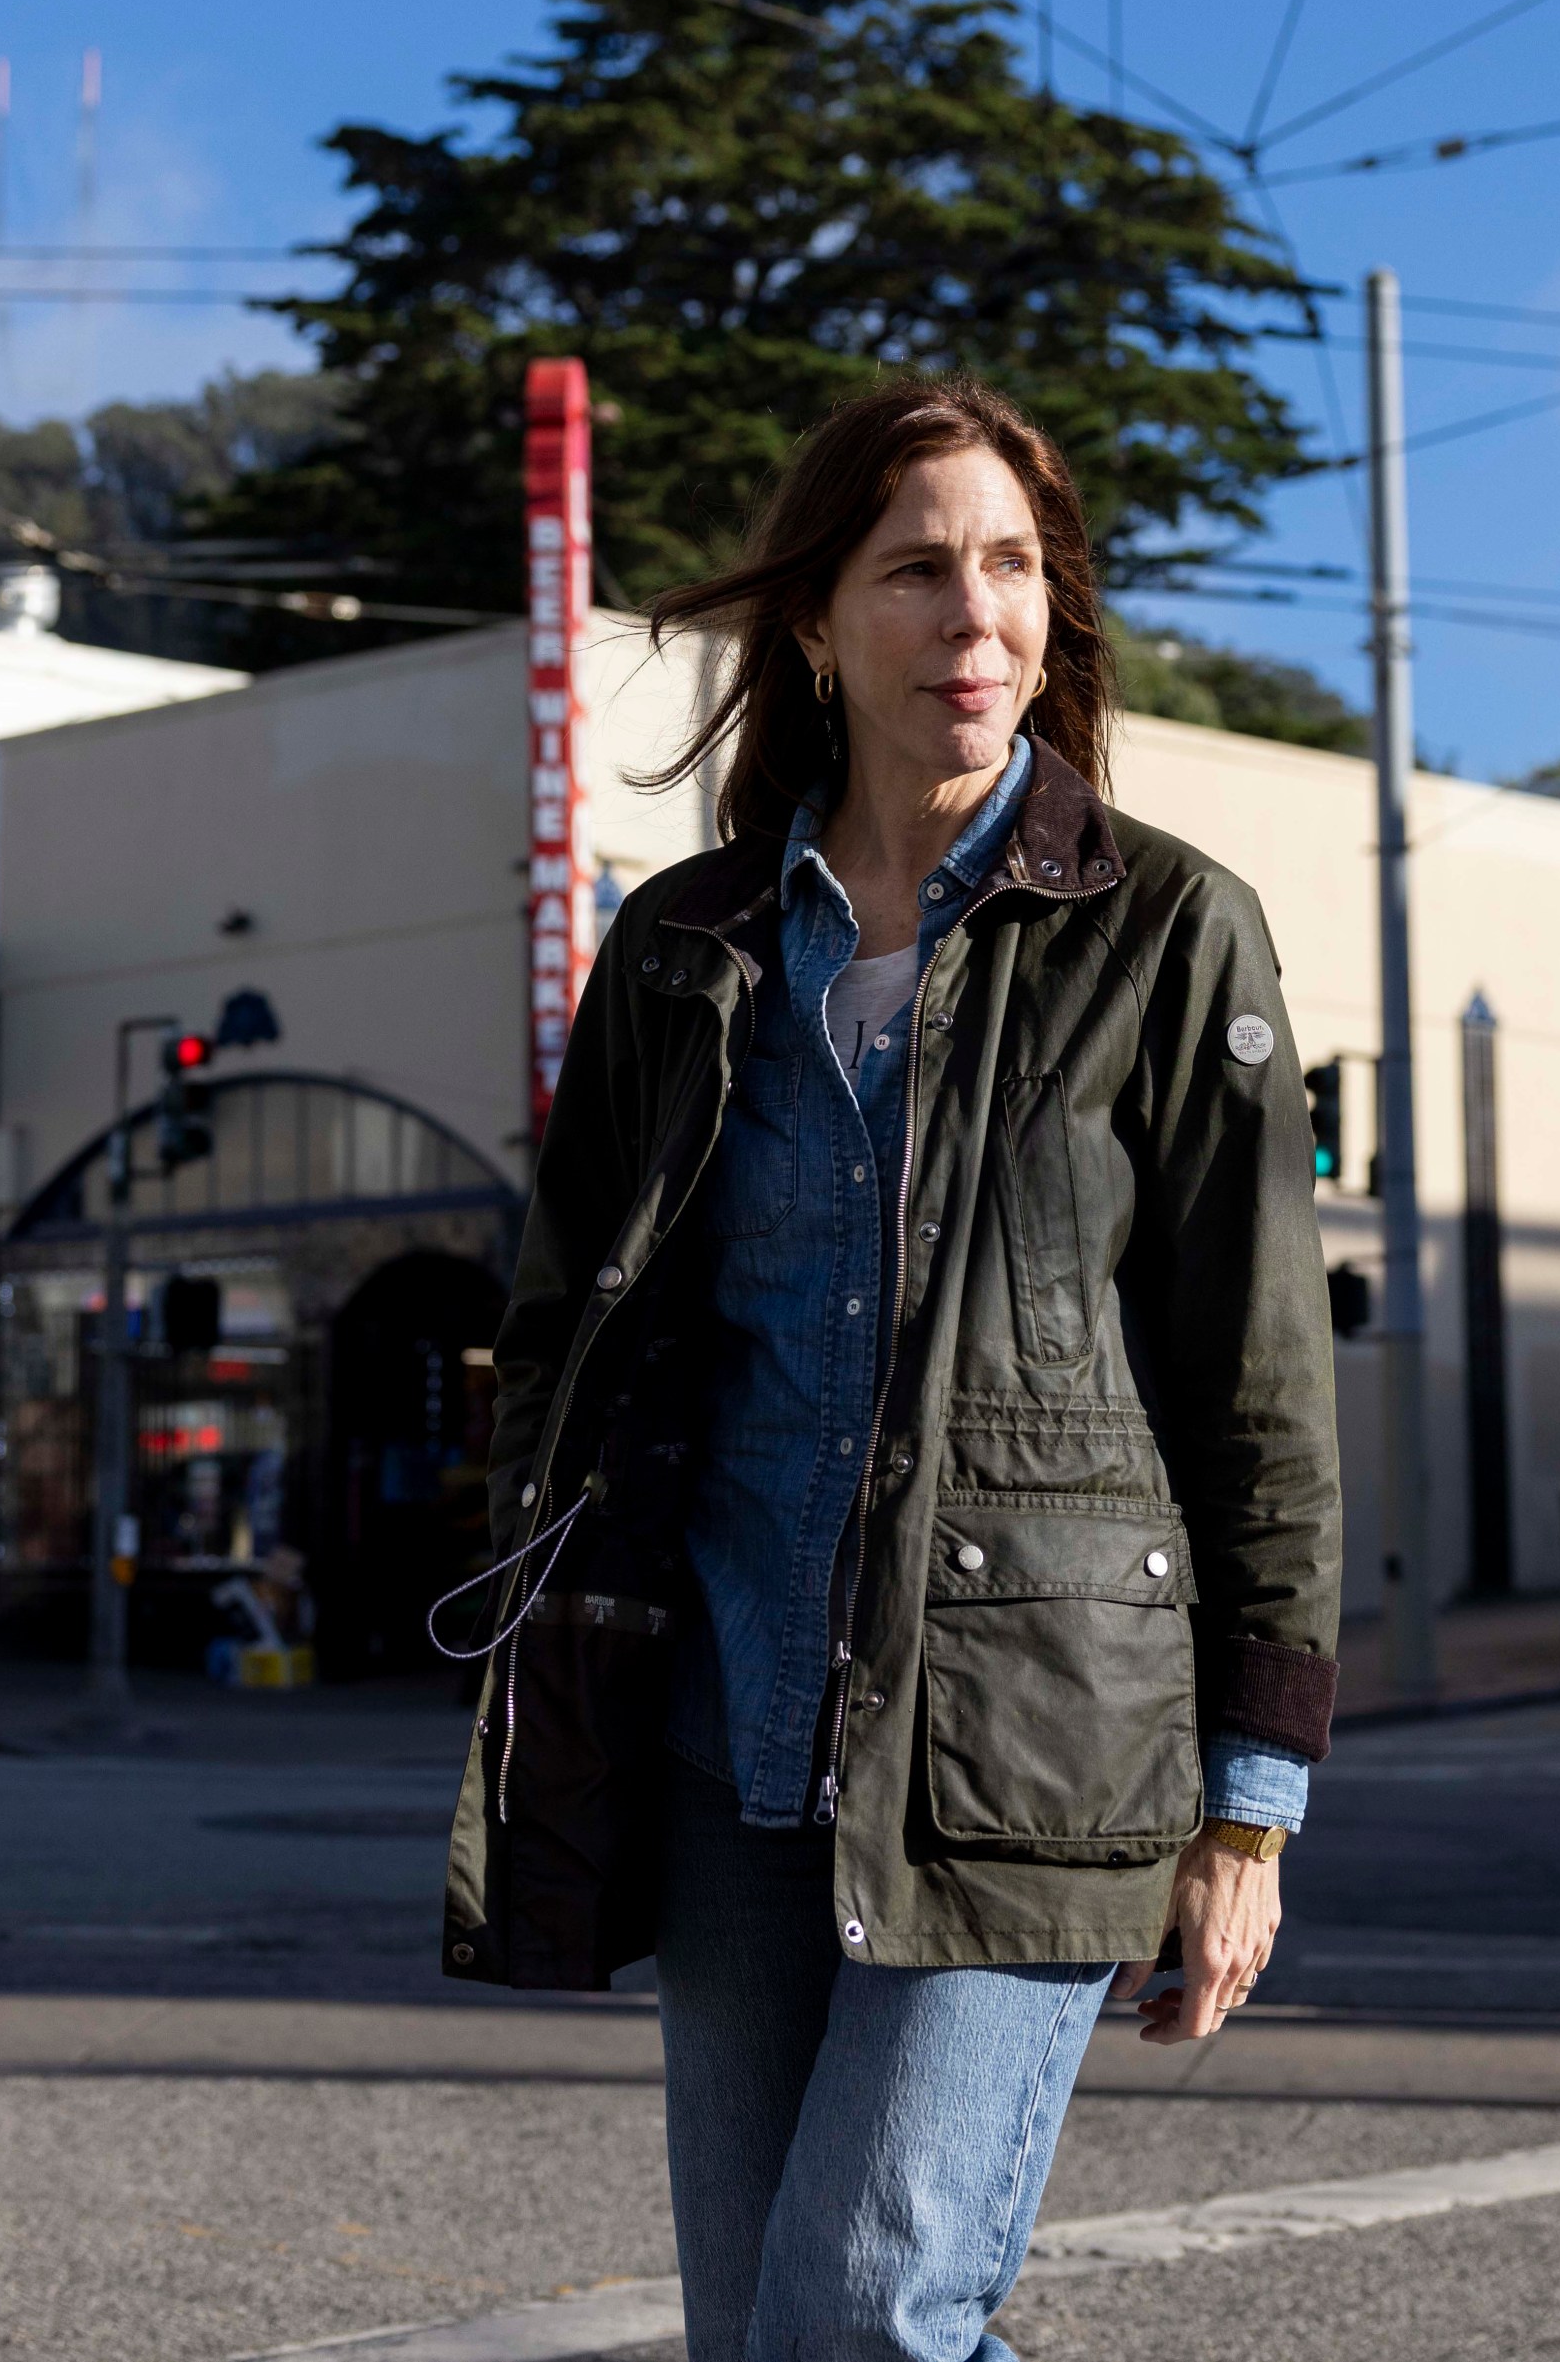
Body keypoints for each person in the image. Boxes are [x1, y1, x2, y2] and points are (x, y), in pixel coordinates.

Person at [442, 378, 1341, 2362]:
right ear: (819, 621)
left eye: (1013, 566)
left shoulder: (1175, 933)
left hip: (1035, 1741)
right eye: (920, 568)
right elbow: (568, 1326)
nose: (977, 617)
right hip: (722, 1746)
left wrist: (1248, 1802)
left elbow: (1258, 1385)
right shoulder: (683, 951)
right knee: (765, 2334)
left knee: (863, 2312)